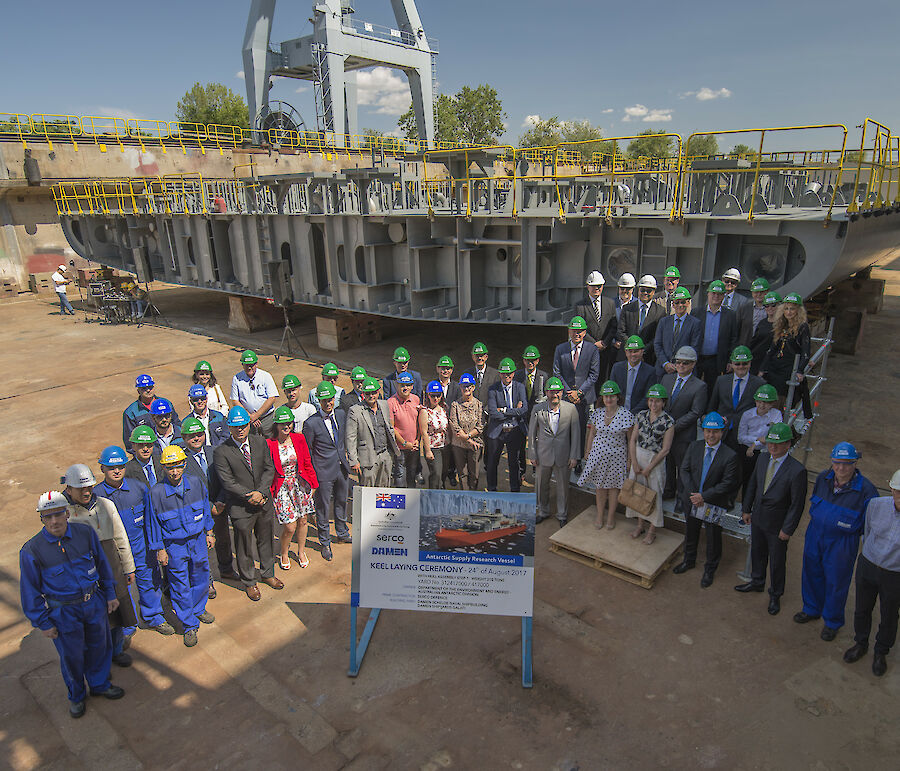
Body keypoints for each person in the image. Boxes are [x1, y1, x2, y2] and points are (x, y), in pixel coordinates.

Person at [20, 491, 124, 718]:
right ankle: (77, 695)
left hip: (93, 602)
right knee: (72, 656)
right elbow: (30, 591)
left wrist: (109, 593)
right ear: (41, 519)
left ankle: (100, 684)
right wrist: (43, 622)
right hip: (63, 611)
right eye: (48, 517)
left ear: (67, 513)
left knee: (100, 646)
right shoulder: (32, 551)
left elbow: (102, 564)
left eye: (58, 514)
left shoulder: (85, 534)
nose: (54, 521)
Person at [795, 442, 878, 641]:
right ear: (832, 462)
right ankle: (812, 608)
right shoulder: (823, 478)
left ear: (855, 463)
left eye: (847, 464)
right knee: (811, 572)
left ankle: (832, 621)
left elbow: (871, 525)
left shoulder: (866, 491)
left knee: (836, 581)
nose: (841, 468)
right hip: (815, 534)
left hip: (842, 543)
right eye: (837, 463)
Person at [62, 464, 137, 667]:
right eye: (81, 489)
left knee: (118, 616)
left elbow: (120, 538)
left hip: (112, 569)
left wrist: (128, 568)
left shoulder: (106, 505)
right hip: (84, 576)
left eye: (89, 488)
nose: (87, 492)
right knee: (93, 620)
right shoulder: (62, 513)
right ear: (69, 489)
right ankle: (98, 659)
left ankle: (116, 650)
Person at [95, 446, 172, 636]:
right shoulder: (96, 496)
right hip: (114, 552)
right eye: (111, 467)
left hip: (141, 547)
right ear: (102, 469)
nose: (116, 471)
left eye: (120, 466)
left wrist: (156, 546)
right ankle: (126, 624)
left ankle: (153, 616)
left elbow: (151, 520)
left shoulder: (138, 489)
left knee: (149, 581)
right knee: (119, 586)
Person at [735, 423, 808, 615]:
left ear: (788, 444)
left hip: (777, 525)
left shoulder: (797, 470)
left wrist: (787, 529)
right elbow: (753, 485)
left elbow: (796, 504)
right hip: (758, 517)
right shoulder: (763, 459)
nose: (773, 447)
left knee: (777, 561)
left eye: (778, 444)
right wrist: (746, 509)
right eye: (770, 443)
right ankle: (757, 581)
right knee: (758, 552)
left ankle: (775, 594)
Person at [147, 445, 216, 646]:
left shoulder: (195, 484)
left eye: (178, 466)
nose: (174, 471)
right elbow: (153, 524)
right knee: (179, 583)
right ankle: (189, 624)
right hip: (174, 545)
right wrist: (160, 549)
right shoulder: (156, 493)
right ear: (163, 468)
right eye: (169, 467)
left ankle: (198, 609)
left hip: (197, 540)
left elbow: (205, 508)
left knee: (201, 575)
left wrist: (209, 532)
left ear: (185, 464)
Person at [213, 405, 282, 601]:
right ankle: (250, 582)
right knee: (243, 546)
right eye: (236, 427)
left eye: (243, 425)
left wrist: (260, 492)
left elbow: (269, 469)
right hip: (241, 507)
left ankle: (268, 573)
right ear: (229, 427)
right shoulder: (222, 452)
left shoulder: (260, 442)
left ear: (248, 424)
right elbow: (228, 482)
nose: (240, 429)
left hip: (263, 503)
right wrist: (250, 495)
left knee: (266, 539)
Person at [672, 413, 740, 586]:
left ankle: (710, 570)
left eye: (715, 432)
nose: (711, 435)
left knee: (713, 537)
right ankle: (689, 560)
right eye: (708, 431)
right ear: (703, 431)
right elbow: (684, 470)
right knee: (691, 531)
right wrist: (693, 494)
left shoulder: (729, 455)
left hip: (713, 503)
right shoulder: (694, 446)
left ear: (722, 432)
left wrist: (704, 496)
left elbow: (727, 483)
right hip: (692, 500)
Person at [843, 470, 900, 677]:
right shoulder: (876, 505)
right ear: (892, 489)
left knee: (889, 614)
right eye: (898, 492)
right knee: (862, 608)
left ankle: (881, 651)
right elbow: (867, 531)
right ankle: (861, 642)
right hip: (868, 565)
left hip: (895, 574)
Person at [177, 417, 232, 597]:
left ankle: (226, 569)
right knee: (201, 548)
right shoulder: (182, 462)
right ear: (184, 438)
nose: (196, 438)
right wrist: (209, 507)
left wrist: (221, 502)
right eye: (191, 436)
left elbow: (226, 478)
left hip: (220, 506)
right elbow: (187, 491)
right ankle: (207, 582)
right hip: (198, 512)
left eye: (199, 434)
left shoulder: (215, 451)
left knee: (223, 539)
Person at [303, 381, 352, 562]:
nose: (328, 403)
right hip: (322, 471)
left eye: (330, 399)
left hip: (341, 467)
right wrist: (312, 474)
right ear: (319, 401)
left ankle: (342, 532)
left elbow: (343, 439)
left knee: (341, 501)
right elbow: (308, 451)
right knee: (323, 507)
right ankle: (325, 542)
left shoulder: (340, 414)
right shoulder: (311, 423)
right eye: (324, 401)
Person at [578, 380, 635, 529]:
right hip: (598, 456)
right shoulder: (597, 413)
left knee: (614, 488)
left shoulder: (626, 415)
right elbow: (591, 434)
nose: (608, 399)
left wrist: (630, 460)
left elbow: (630, 440)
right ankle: (599, 515)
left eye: (612, 396)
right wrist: (587, 451)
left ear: (618, 397)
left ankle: (611, 516)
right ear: (602, 398)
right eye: (605, 396)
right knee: (600, 487)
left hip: (617, 457)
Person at [267, 406, 318, 570]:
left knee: (303, 521)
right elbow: (267, 470)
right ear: (276, 425)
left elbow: (307, 462)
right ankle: (284, 552)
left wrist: (313, 483)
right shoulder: (269, 443)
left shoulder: (299, 438)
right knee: (289, 526)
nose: (286, 426)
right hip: (282, 488)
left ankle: (301, 551)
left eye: (289, 422)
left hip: (300, 484)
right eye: (282, 423)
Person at [626, 384, 675, 544]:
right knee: (638, 493)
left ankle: (652, 530)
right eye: (651, 401)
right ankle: (640, 525)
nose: (654, 405)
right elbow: (632, 440)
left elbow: (666, 449)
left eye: (658, 401)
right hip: (638, 456)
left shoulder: (668, 421)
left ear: (663, 402)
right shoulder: (640, 415)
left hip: (655, 461)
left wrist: (649, 468)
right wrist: (634, 461)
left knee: (653, 495)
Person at [528, 377, 580, 526]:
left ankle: (562, 515)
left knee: (563, 486)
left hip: (563, 455)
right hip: (543, 455)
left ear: (562, 392)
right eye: (551, 392)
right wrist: (532, 454)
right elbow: (531, 433)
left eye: (557, 392)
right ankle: (543, 511)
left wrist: (574, 456)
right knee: (541, 485)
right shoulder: (538, 409)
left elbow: (576, 435)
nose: (554, 395)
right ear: (546, 393)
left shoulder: (571, 410)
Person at [660, 346, 708, 500]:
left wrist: (673, 426)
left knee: (683, 467)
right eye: (678, 362)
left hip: (684, 435)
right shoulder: (666, 379)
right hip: (665, 433)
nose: (680, 365)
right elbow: (661, 403)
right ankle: (668, 491)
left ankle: (682, 497)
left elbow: (695, 412)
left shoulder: (700, 386)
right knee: (667, 463)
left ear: (693, 364)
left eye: (685, 363)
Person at [553, 316, 601, 459]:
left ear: (585, 332)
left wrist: (579, 393)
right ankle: (564, 458)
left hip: (584, 398)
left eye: (580, 331)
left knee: (580, 430)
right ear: (569, 331)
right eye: (574, 331)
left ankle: (578, 460)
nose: (577, 334)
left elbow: (594, 374)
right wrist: (569, 393)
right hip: (566, 398)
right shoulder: (560, 349)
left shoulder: (592, 349)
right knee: (563, 429)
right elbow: (557, 372)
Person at [705, 345, 764, 449]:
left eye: (744, 363)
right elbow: (712, 407)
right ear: (731, 364)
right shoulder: (721, 381)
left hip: (745, 435)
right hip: (723, 432)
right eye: (737, 364)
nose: (741, 366)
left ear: (750, 363)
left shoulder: (759, 384)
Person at [346, 377, 399, 487]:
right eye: (368, 393)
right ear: (363, 393)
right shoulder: (355, 411)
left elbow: (389, 428)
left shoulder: (384, 405)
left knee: (384, 492)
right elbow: (350, 437)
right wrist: (353, 460)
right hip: (367, 458)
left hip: (385, 455)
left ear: (378, 392)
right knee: (367, 492)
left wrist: (391, 453)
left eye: (374, 393)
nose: (371, 396)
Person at [485, 358, 528, 492]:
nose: (507, 376)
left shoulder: (520, 387)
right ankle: (492, 489)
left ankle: (514, 490)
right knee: (492, 462)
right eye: (504, 373)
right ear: (499, 374)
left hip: (514, 430)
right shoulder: (493, 389)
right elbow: (492, 411)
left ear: (514, 373)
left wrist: (503, 410)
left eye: (509, 373)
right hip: (498, 431)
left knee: (513, 462)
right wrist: (514, 411)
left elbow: (524, 409)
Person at [760, 292, 810, 400]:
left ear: (798, 311)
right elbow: (772, 349)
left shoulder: (803, 327)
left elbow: (806, 351)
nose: (789, 312)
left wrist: (800, 370)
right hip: (775, 365)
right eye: (786, 309)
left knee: (780, 396)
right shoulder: (781, 324)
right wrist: (763, 368)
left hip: (788, 367)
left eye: (792, 309)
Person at [736, 384, 783, 500]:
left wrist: (756, 443)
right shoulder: (747, 415)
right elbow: (741, 437)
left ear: (772, 403)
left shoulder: (776, 414)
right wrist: (757, 440)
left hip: (766, 452)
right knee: (745, 478)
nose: (762, 405)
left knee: (762, 480)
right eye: (759, 401)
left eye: (766, 402)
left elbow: (775, 436)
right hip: (747, 451)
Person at [692, 280, 739, 387]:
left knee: (712, 390)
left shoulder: (730, 315)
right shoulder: (696, 313)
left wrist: (730, 360)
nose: (716, 296)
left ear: (724, 296)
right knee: (692, 387)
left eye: (719, 294)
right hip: (697, 359)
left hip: (717, 360)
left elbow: (734, 339)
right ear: (708, 293)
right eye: (713, 293)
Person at [575, 270, 617, 381]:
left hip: (605, 350)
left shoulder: (610, 303)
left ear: (603, 286)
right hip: (588, 350)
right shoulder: (580, 306)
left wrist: (605, 342)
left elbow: (613, 327)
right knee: (588, 379)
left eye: (599, 286)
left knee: (604, 378)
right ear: (588, 286)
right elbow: (579, 329)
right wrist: (594, 344)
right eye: (593, 286)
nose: (596, 288)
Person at [514, 345, 548, 476]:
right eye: (528, 360)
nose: (530, 363)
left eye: (533, 360)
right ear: (523, 361)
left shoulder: (544, 376)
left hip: (537, 415)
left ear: (538, 360)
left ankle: (535, 469)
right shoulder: (517, 375)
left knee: (537, 443)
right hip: (521, 416)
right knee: (520, 444)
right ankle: (521, 470)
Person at [654, 287, 702, 378]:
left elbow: (694, 348)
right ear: (672, 304)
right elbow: (657, 344)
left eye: (683, 302)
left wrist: (680, 365)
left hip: (684, 371)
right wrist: (665, 363)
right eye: (677, 302)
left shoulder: (695, 323)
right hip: (662, 370)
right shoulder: (663, 322)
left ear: (688, 303)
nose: (680, 305)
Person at [617, 275, 665, 364]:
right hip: (626, 357)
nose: (645, 293)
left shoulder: (660, 311)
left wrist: (641, 351)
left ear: (654, 291)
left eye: (649, 290)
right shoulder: (627, 309)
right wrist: (632, 350)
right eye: (642, 290)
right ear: (638, 290)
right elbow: (621, 332)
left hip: (648, 358)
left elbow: (658, 336)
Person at [448, 373, 485, 491]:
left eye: (469, 386)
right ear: (460, 387)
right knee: (462, 473)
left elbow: (480, 426)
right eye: (464, 386)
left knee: (474, 474)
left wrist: (468, 436)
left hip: (475, 444)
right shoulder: (455, 405)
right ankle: (465, 496)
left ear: (473, 387)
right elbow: (454, 425)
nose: (466, 389)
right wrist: (466, 439)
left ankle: (473, 495)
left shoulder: (479, 405)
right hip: (459, 445)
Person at [122, 374, 179, 447]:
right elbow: (129, 440)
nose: (148, 390)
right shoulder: (131, 412)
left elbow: (176, 424)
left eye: (150, 387)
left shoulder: (166, 403)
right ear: (138, 390)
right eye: (144, 388)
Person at [230, 350, 279, 436]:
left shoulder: (265, 376)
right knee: (253, 444)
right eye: (247, 365)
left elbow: (272, 398)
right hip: (248, 420)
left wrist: (257, 415)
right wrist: (250, 416)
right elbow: (235, 401)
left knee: (270, 443)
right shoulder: (237, 378)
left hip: (267, 418)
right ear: (242, 365)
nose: (249, 368)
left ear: (256, 364)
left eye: (252, 365)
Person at [388, 371, 421, 487]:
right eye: (402, 385)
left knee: (412, 473)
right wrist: (404, 442)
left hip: (414, 446)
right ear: (397, 385)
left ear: (412, 386)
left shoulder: (416, 399)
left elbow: (419, 423)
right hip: (400, 447)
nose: (405, 388)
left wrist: (417, 439)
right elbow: (391, 427)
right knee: (400, 474)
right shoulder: (391, 402)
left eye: (408, 385)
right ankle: (400, 500)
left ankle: (411, 499)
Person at [609, 335, 656, 414]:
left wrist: (631, 414)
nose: (633, 354)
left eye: (636, 351)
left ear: (642, 351)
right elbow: (612, 391)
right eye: (630, 351)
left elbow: (647, 397)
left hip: (640, 414)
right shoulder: (617, 368)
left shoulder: (650, 371)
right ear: (625, 352)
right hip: (618, 413)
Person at [419, 381, 450, 489]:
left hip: (445, 445)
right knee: (435, 473)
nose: (436, 398)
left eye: (438, 395)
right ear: (428, 395)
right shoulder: (424, 411)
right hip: (433, 447)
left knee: (442, 473)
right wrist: (427, 451)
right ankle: (433, 496)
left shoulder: (444, 408)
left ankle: (441, 493)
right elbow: (424, 432)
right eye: (433, 395)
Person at [749, 292, 781, 374]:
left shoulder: (783, 325)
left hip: (773, 365)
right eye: (766, 306)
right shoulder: (762, 323)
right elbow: (754, 342)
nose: (770, 308)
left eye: (773, 305)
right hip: (756, 362)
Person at [721, 267, 753, 345]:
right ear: (722, 281)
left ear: (737, 284)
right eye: (727, 281)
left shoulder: (743, 301)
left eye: (733, 282)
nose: (729, 284)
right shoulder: (715, 297)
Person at [465, 342, 500, 407]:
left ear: (486, 357)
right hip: (471, 412)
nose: (479, 358)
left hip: (489, 413)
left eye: (481, 355)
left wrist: (487, 411)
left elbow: (497, 396)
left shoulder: (495, 374)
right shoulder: (467, 374)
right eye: (477, 356)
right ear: (473, 357)